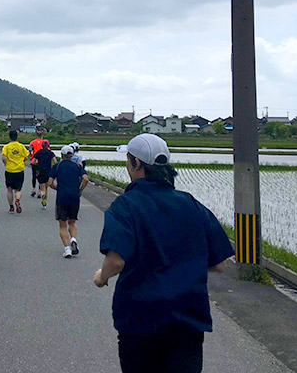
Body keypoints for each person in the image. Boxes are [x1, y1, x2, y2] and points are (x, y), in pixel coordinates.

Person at [93, 134, 234, 373]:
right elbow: (219, 265)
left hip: (139, 320)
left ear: (136, 163)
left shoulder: (125, 205)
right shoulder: (190, 204)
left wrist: (101, 277)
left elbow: (116, 261)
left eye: (128, 160)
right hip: (187, 321)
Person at [48, 145, 88, 257]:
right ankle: (73, 239)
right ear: (71, 155)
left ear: (61, 155)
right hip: (74, 196)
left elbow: (49, 182)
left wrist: (56, 187)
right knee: (72, 221)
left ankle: (67, 249)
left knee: (62, 224)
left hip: (62, 197)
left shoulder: (57, 166)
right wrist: (80, 189)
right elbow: (86, 179)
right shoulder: (77, 166)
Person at [1, 129, 30, 214]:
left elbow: (3, 158)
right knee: (18, 189)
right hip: (19, 170)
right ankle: (17, 200)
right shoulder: (21, 146)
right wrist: (21, 161)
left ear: (9, 137)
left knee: (9, 189)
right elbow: (27, 157)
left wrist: (6, 163)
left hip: (9, 170)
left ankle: (11, 207)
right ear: (17, 137)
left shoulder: (6, 147)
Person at [32, 139, 57, 209]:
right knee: (46, 187)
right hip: (48, 171)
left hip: (40, 171)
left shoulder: (38, 152)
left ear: (42, 145)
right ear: (48, 145)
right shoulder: (50, 153)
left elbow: (33, 162)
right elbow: (55, 162)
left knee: (42, 187)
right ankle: (45, 200)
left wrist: (37, 164)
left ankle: (43, 200)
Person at [28, 130, 45, 198]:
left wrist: (31, 156)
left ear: (36, 135)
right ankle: (39, 191)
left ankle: (33, 189)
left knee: (34, 176)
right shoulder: (43, 143)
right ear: (41, 135)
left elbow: (30, 150)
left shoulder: (32, 142)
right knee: (40, 176)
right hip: (41, 162)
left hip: (34, 161)